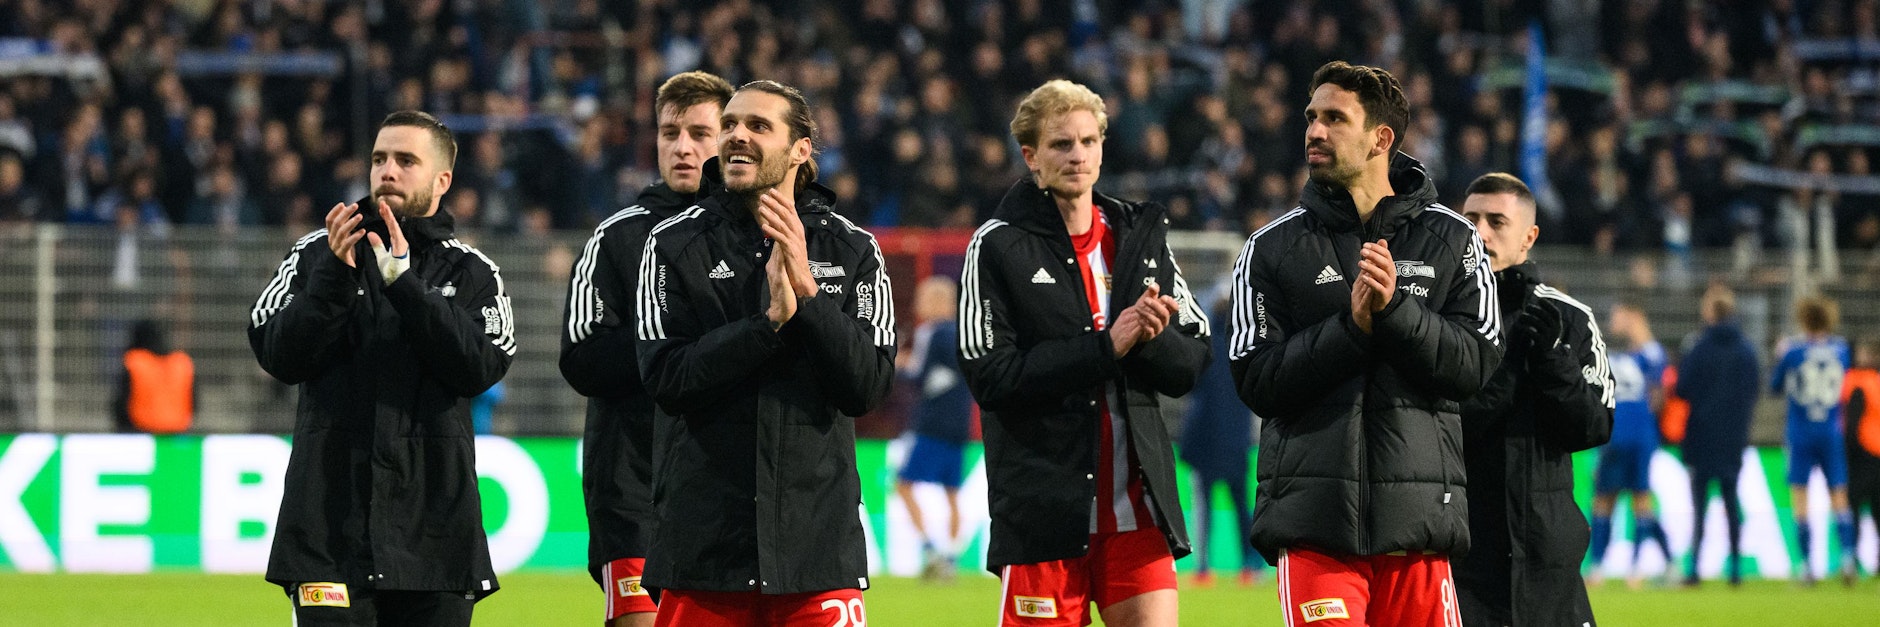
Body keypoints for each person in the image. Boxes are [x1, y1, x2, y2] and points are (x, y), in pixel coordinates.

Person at [1228, 61, 1501, 627]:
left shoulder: (1454, 239)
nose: (1314, 131)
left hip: (1419, 533)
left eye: (1334, 118)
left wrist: (1396, 312)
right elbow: (1257, 379)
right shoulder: (1270, 248)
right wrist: (1352, 331)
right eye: (1311, 117)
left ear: (1381, 139)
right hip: (1314, 530)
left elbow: (1474, 364)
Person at [633, 80, 895, 627]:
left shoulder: (852, 250)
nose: (736, 137)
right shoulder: (671, 244)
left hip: (817, 556)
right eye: (729, 124)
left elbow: (867, 388)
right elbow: (666, 378)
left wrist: (809, 297)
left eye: (757, 126)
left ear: (800, 149)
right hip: (703, 554)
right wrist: (768, 325)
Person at [958, 78, 1209, 627]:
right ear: (1030, 157)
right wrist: (1106, 346)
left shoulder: (1140, 237)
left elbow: (1192, 360)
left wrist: (1151, 339)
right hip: (1045, 517)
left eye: (1089, 141)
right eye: (1061, 144)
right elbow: (990, 375)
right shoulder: (997, 244)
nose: (1078, 155)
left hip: (1139, 517)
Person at [249, 110, 514, 626]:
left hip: (436, 537)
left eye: (405, 160)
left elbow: (481, 366)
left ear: (442, 181)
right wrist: (332, 278)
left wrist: (405, 286)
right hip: (329, 531)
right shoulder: (317, 255)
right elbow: (275, 352)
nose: (386, 171)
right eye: (379, 159)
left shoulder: (472, 272)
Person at [559, 70, 733, 627]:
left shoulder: (757, 233)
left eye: (700, 133)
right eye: (669, 132)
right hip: (633, 487)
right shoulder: (616, 237)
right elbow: (582, 353)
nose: (683, 147)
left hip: (725, 493)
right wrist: (676, 348)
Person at [1454, 173, 1612, 627]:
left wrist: (1554, 365)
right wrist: (1510, 367)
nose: (1479, 233)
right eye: (1470, 220)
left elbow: (1592, 427)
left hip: (1548, 560)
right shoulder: (1433, 317)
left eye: (1496, 221)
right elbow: (1440, 426)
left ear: (1529, 237)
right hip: (1462, 560)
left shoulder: (1568, 318)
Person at [1674, 284, 1760, 587]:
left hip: (1701, 434)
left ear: (1710, 312)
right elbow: (1753, 390)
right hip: (1733, 436)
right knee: (1731, 501)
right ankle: (1735, 569)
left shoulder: (1699, 347)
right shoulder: (1746, 349)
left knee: (1699, 505)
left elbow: (1681, 388)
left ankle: (1695, 568)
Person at [1769, 295, 1856, 586]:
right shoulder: (1841, 350)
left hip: (1801, 432)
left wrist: (1780, 353)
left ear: (1803, 319)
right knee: (1839, 496)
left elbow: (1774, 386)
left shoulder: (1793, 351)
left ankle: (1806, 566)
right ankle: (1847, 558)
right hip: (1831, 430)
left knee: (1800, 498)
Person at [1588, 301, 1676, 588]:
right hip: (1619, 437)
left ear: (1634, 317)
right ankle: (1603, 566)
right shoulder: (1614, 351)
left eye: (1619, 315)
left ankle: (1634, 566)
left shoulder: (1647, 352)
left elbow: (1660, 395)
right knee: (1607, 499)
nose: (1613, 321)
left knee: (1638, 499)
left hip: (1631, 436)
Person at [1178, 293, 1263, 588]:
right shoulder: (1244, 349)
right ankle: (1250, 565)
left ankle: (1202, 566)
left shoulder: (1204, 350)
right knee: (1242, 507)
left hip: (1205, 444)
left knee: (1205, 507)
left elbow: (1188, 388)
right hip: (1236, 443)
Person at [893, 274, 973, 581]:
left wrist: (895, 363)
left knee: (904, 485)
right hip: (959, 425)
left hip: (930, 424)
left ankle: (930, 551)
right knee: (952, 493)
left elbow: (917, 376)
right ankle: (951, 559)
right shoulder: (965, 333)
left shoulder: (930, 332)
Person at [113, 318, 196, 434]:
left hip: (139, 432)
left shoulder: (134, 361)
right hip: (177, 432)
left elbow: (121, 404)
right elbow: (194, 402)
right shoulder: (182, 363)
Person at [1842, 337, 1880, 578]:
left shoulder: (1855, 382)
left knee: (1854, 508)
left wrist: (1847, 451)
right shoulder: (1875, 381)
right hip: (1876, 452)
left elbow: (1852, 422)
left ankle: (1852, 559)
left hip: (1861, 453)